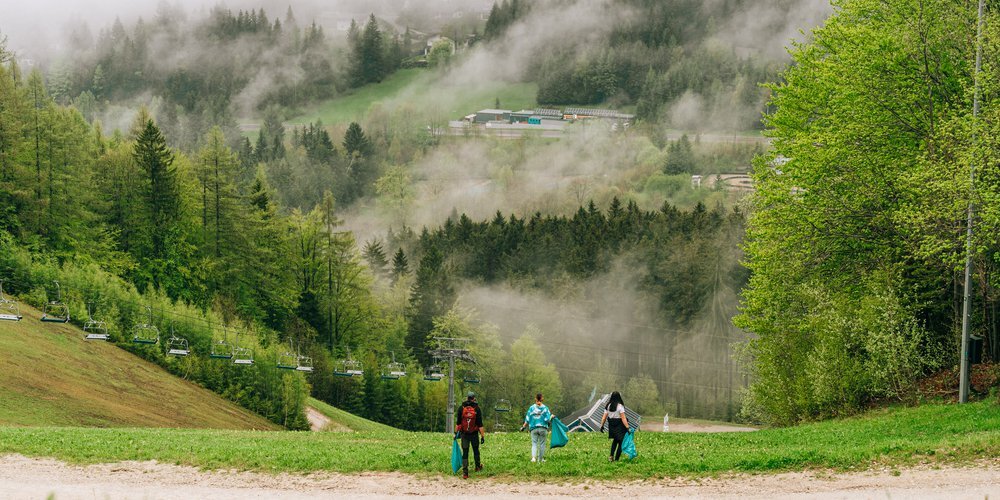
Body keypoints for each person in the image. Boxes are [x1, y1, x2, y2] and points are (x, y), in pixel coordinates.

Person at [455, 391, 485, 479]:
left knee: (465, 452)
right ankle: (477, 466)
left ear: (467, 398)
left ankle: (465, 473)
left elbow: (458, 423)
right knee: (476, 450)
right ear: (474, 398)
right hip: (474, 434)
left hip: (464, 434)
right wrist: (482, 436)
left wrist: (455, 433)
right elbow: (480, 425)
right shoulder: (477, 408)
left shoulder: (461, 408)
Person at [519, 393, 552, 463]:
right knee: (542, 443)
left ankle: (533, 458)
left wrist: (523, 427)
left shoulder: (531, 408)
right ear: (542, 399)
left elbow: (527, 419)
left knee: (534, 443)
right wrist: (551, 417)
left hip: (533, 428)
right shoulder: (545, 408)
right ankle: (540, 459)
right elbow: (547, 419)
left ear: (535, 399)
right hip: (543, 428)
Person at [599, 391, 630, 462]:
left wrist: (601, 426)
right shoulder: (620, 406)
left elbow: (604, 417)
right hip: (619, 425)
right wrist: (627, 427)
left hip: (612, 425)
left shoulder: (608, 406)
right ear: (619, 397)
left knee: (615, 440)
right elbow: (623, 418)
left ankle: (611, 456)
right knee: (621, 442)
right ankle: (616, 459)